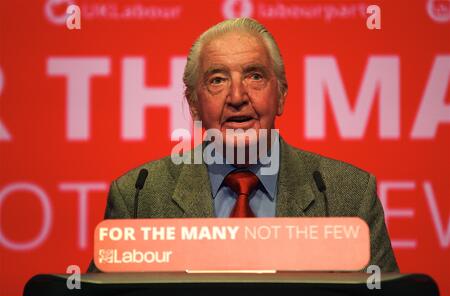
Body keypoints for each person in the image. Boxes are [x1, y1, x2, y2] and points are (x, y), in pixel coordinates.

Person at [88, 17, 398, 272]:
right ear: (194, 105)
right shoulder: (139, 196)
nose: (237, 97)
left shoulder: (348, 194)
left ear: (282, 97)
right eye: (218, 80)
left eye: (254, 76)